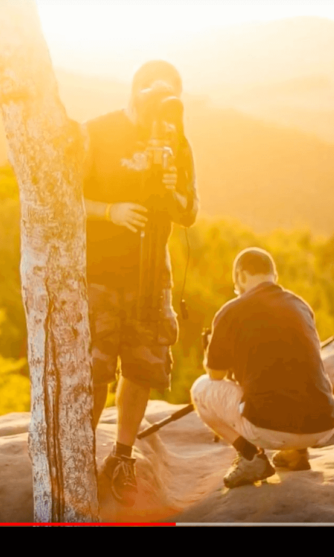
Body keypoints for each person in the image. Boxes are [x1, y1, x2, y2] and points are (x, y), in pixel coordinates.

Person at [82, 60, 199, 506]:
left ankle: (122, 455)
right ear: (134, 92)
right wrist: (111, 210)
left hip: (152, 276)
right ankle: (79, 453)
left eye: (169, 99)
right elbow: (66, 194)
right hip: (100, 274)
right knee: (94, 369)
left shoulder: (177, 140)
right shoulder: (98, 131)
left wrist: (171, 190)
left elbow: (189, 212)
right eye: (152, 96)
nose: (159, 109)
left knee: (142, 367)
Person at [191, 248, 334, 488]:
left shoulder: (230, 311)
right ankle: (297, 453)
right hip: (323, 425)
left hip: (270, 428)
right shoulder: (301, 306)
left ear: (240, 275)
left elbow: (215, 375)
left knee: (200, 389)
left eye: (235, 282)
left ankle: (250, 457)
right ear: (274, 275)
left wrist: (215, 350)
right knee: (296, 374)